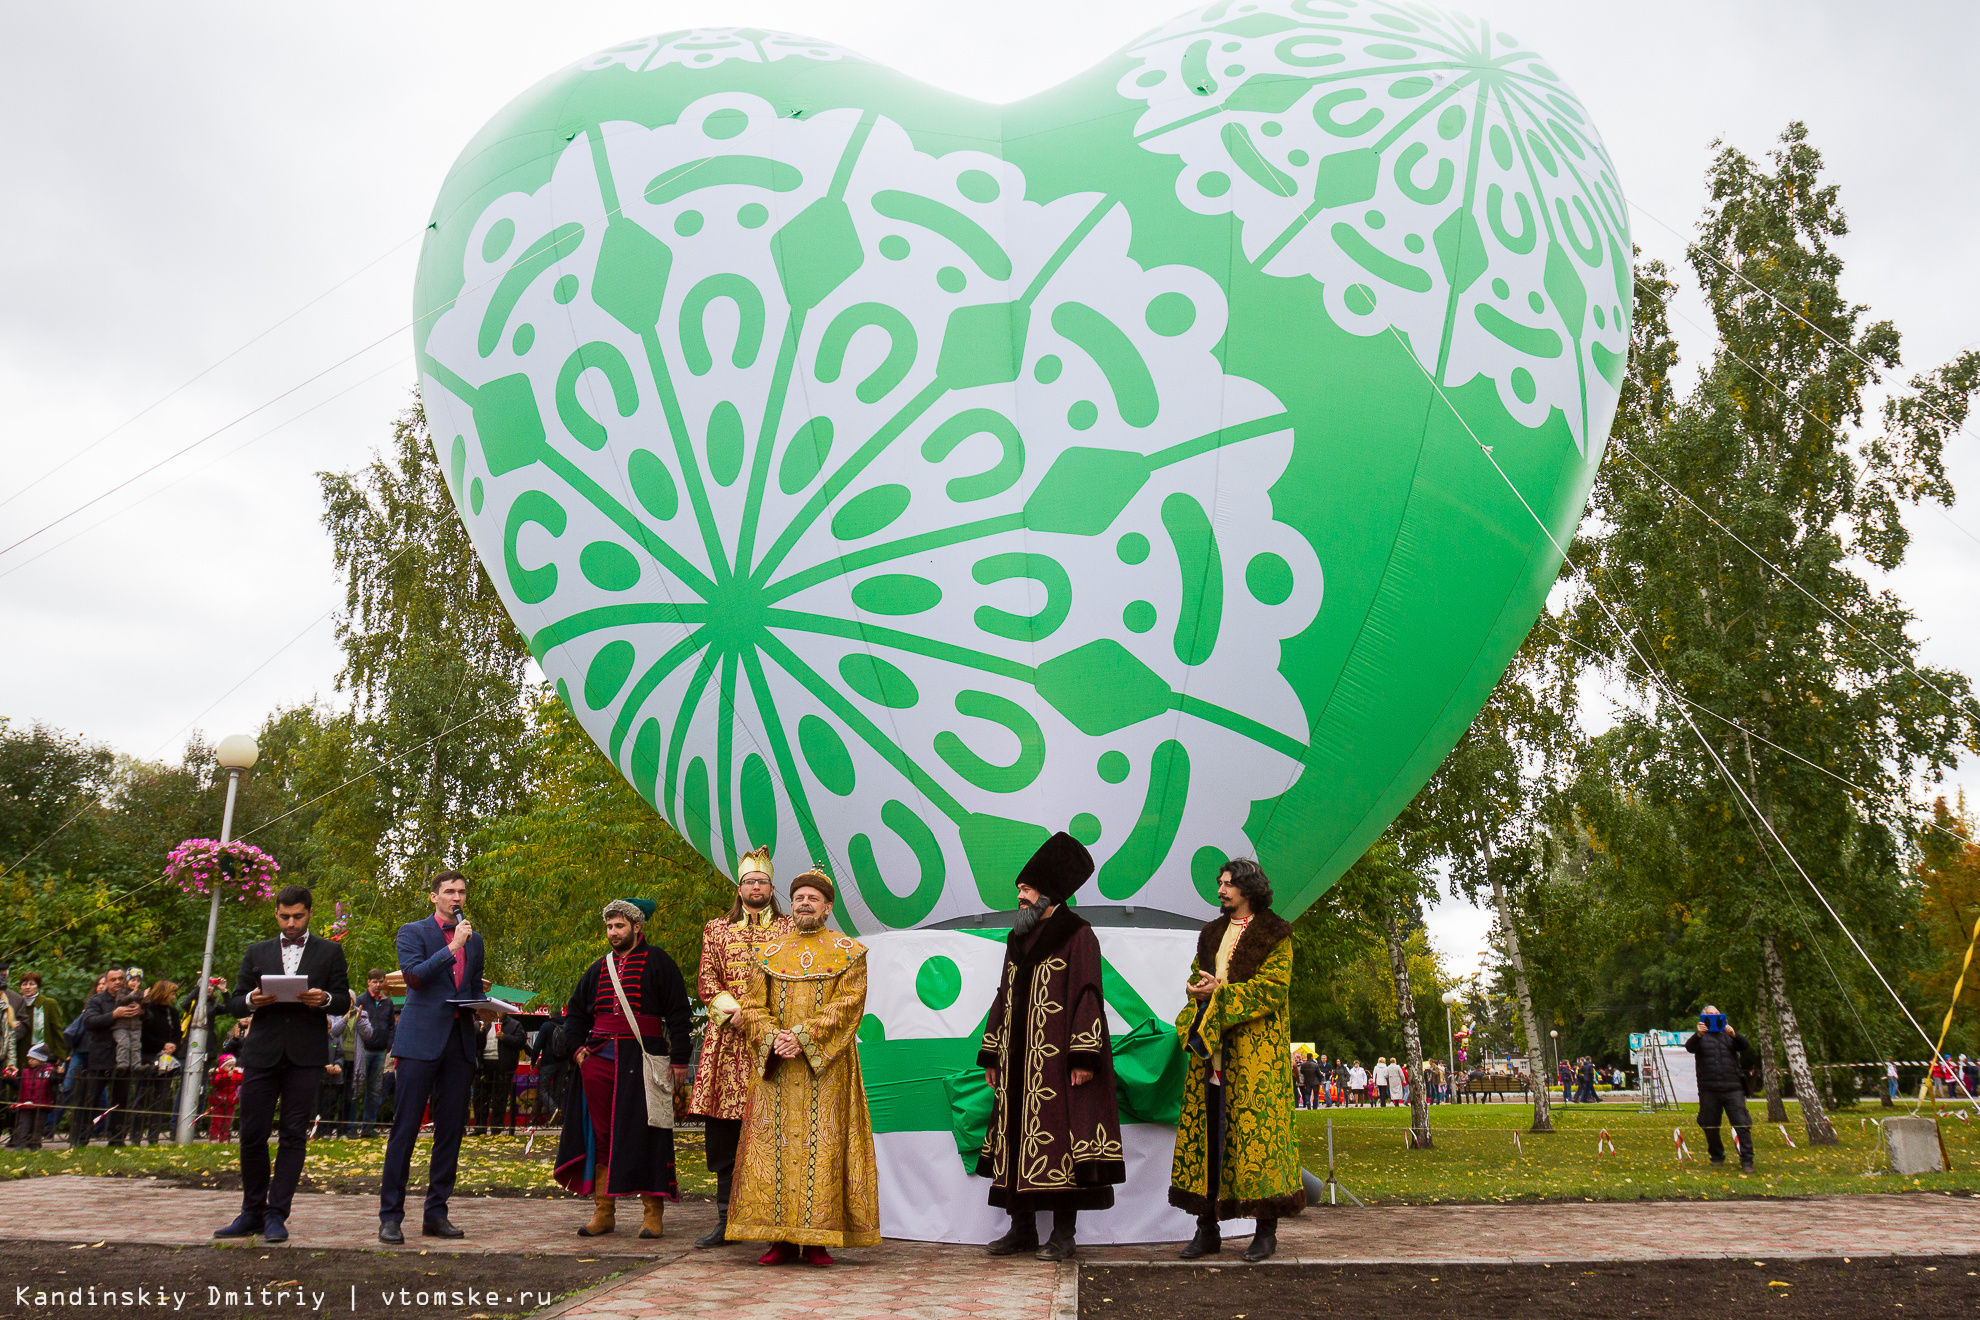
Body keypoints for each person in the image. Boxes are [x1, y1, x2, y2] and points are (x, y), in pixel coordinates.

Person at [977, 832, 1124, 1262]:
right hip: (1016, 1059)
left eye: (1026, 889)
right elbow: (1004, 993)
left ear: (1048, 893)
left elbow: (1088, 994)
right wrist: (992, 1052)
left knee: (1060, 1141)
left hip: (1056, 1061)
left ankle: (1063, 1236)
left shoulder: (1078, 934)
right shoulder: (1016, 937)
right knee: (1014, 1139)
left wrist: (1084, 1055)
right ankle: (1020, 1229)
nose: (1020, 896)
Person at [729, 867, 880, 1265]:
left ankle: (817, 1240)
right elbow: (751, 1004)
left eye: (813, 898)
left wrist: (803, 1037)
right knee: (772, 1150)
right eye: (799, 898)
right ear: (791, 905)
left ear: (827, 908)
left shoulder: (849, 952)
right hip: (776, 1067)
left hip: (825, 1069)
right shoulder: (767, 953)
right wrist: (772, 1037)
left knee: (824, 1146)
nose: (804, 903)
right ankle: (778, 1240)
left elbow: (848, 1004)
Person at [1171, 858, 1305, 1263]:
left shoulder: (1274, 933)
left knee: (1257, 1141)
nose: (1220, 890)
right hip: (1212, 1054)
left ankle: (1266, 1232)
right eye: (1220, 883)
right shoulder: (1211, 933)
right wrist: (1199, 989)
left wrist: (1221, 991)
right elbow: (1198, 976)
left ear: (1248, 888)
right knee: (1209, 1141)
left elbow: (1271, 990)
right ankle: (1206, 1229)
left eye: (1228, 884)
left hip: (1255, 1060)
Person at [212, 884, 352, 1244]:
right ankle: (251, 1212)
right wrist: (253, 1000)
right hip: (261, 1052)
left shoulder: (330, 951)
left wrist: (323, 999)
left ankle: (277, 1214)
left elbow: (340, 1001)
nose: (291, 923)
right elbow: (235, 1004)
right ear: (276, 914)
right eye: (284, 916)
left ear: (309, 913)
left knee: (293, 1134)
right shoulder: (256, 951)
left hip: (305, 1055)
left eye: (298, 916)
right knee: (252, 1133)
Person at [553, 898, 693, 1239]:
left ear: (637, 927)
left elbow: (678, 1016)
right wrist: (578, 1053)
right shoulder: (598, 968)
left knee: (649, 1132)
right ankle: (604, 1211)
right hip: (599, 1061)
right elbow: (575, 1014)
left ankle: (652, 1213)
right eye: (610, 927)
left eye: (620, 926)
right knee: (601, 1136)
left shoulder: (659, 961)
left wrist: (678, 1060)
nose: (613, 932)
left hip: (643, 1060)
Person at [686, 846, 789, 1249]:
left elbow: (790, 979)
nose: (756, 887)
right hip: (726, 1046)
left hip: (771, 1043)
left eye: (762, 882)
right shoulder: (716, 929)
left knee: (773, 1135)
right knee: (725, 1138)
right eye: (749, 882)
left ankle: (771, 1224)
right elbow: (707, 980)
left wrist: (758, 1016)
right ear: (740, 888)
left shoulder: (787, 930)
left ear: (771, 887)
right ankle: (726, 1221)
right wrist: (735, 1014)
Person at [378, 870, 485, 1244]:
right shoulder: (413, 932)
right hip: (419, 1041)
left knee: (450, 1133)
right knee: (405, 1129)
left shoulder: (476, 940)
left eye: (461, 892)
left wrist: (487, 1008)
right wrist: (453, 946)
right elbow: (415, 978)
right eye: (449, 892)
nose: (456, 897)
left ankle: (436, 1213)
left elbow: (472, 986)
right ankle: (390, 1216)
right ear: (434, 897)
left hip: (459, 1043)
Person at [74, 968, 142, 1148]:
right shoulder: (96, 1000)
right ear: (106, 981)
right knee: (92, 1099)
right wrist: (113, 1015)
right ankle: (81, 1137)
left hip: (124, 1058)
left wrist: (142, 1011)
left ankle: (117, 1137)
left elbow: (147, 1021)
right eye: (113, 979)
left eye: (121, 978)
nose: (118, 982)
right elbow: (89, 1022)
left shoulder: (133, 997)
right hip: (101, 1056)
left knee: (121, 1099)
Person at [1684, 1005, 1754, 1173]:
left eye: (1717, 1014)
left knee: (1742, 1125)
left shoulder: (1729, 1036)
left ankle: (1747, 1160)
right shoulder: (1700, 1038)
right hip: (1709, 1089)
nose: (1715, 1016)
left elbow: (1745, 1046)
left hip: (1733, 1088)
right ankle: (1716, 1156)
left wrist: (1734, 1034)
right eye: (1711, 1015)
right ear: (1703, 1018)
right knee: (1710, 1125)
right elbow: (1689, 1048)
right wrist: (1699, 1034)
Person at [135, 981, 181, 1146]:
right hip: (148, 1056)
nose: (174, 997)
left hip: (166, 1059)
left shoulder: (172, 1012)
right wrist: (161, 1045)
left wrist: (173, 1046)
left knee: (160, 1097)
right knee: (142, 1096)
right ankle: (136, 1134)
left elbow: (177, 1033)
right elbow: (143, 1035)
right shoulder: (149, 1011)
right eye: (172, 994)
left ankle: (153, 1136)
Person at [351, 970, 396, 1137]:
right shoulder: (360, 1000)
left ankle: (368, 1127)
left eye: (381, 982)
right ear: (368, 982)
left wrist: (388, 1045)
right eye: (375, 982)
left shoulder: (388, 1003)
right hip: (363, 1050)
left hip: (380, 1052)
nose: (378, 985)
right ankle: (351, 1127)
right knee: (357, 1088)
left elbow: (391, 1026)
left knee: (375, 1090)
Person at [11, 1043, 57, 1149]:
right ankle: (20, 1145)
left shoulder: (48, 1071)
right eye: (29, 1058)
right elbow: (19, 1085)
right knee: (23, 1125)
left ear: (41, 1059)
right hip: (25, 1104)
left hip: (42, 1104)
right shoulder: (25, 1072)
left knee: (38, 1125)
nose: (30, 1061)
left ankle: (35, 1144)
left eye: (33, 1059)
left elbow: (54, 1082)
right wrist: (10, 1079)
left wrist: (58, 1074)